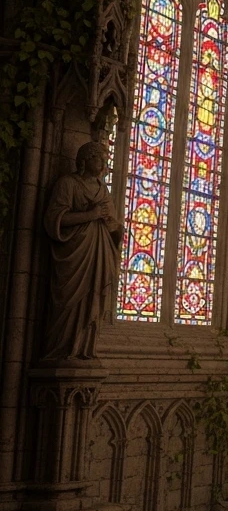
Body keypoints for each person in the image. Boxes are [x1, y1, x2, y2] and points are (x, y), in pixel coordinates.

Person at [44, 142, 122, 360]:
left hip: (98, 254)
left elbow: (111, 223)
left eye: (106, 160)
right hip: (74, 254)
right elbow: (54, 219)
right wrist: (91, 214)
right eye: (99, 158)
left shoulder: (103, 190)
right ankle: (60, 351)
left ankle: (84, 348)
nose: (104, 164)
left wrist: (117, 230)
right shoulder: (68, 184)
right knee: (68, 302)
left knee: (92, 302)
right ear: (85, 160)